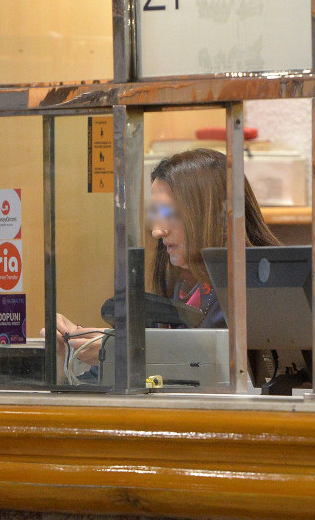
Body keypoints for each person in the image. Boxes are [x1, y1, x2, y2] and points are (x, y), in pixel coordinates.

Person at [54, 148, 280, 367]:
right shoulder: (188, 281)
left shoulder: (253, 287)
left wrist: (116, 351)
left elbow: (209, 364)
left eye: (170, 214)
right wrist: (82, 343)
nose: (157, 231)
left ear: (210, 215)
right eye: (155, 214)